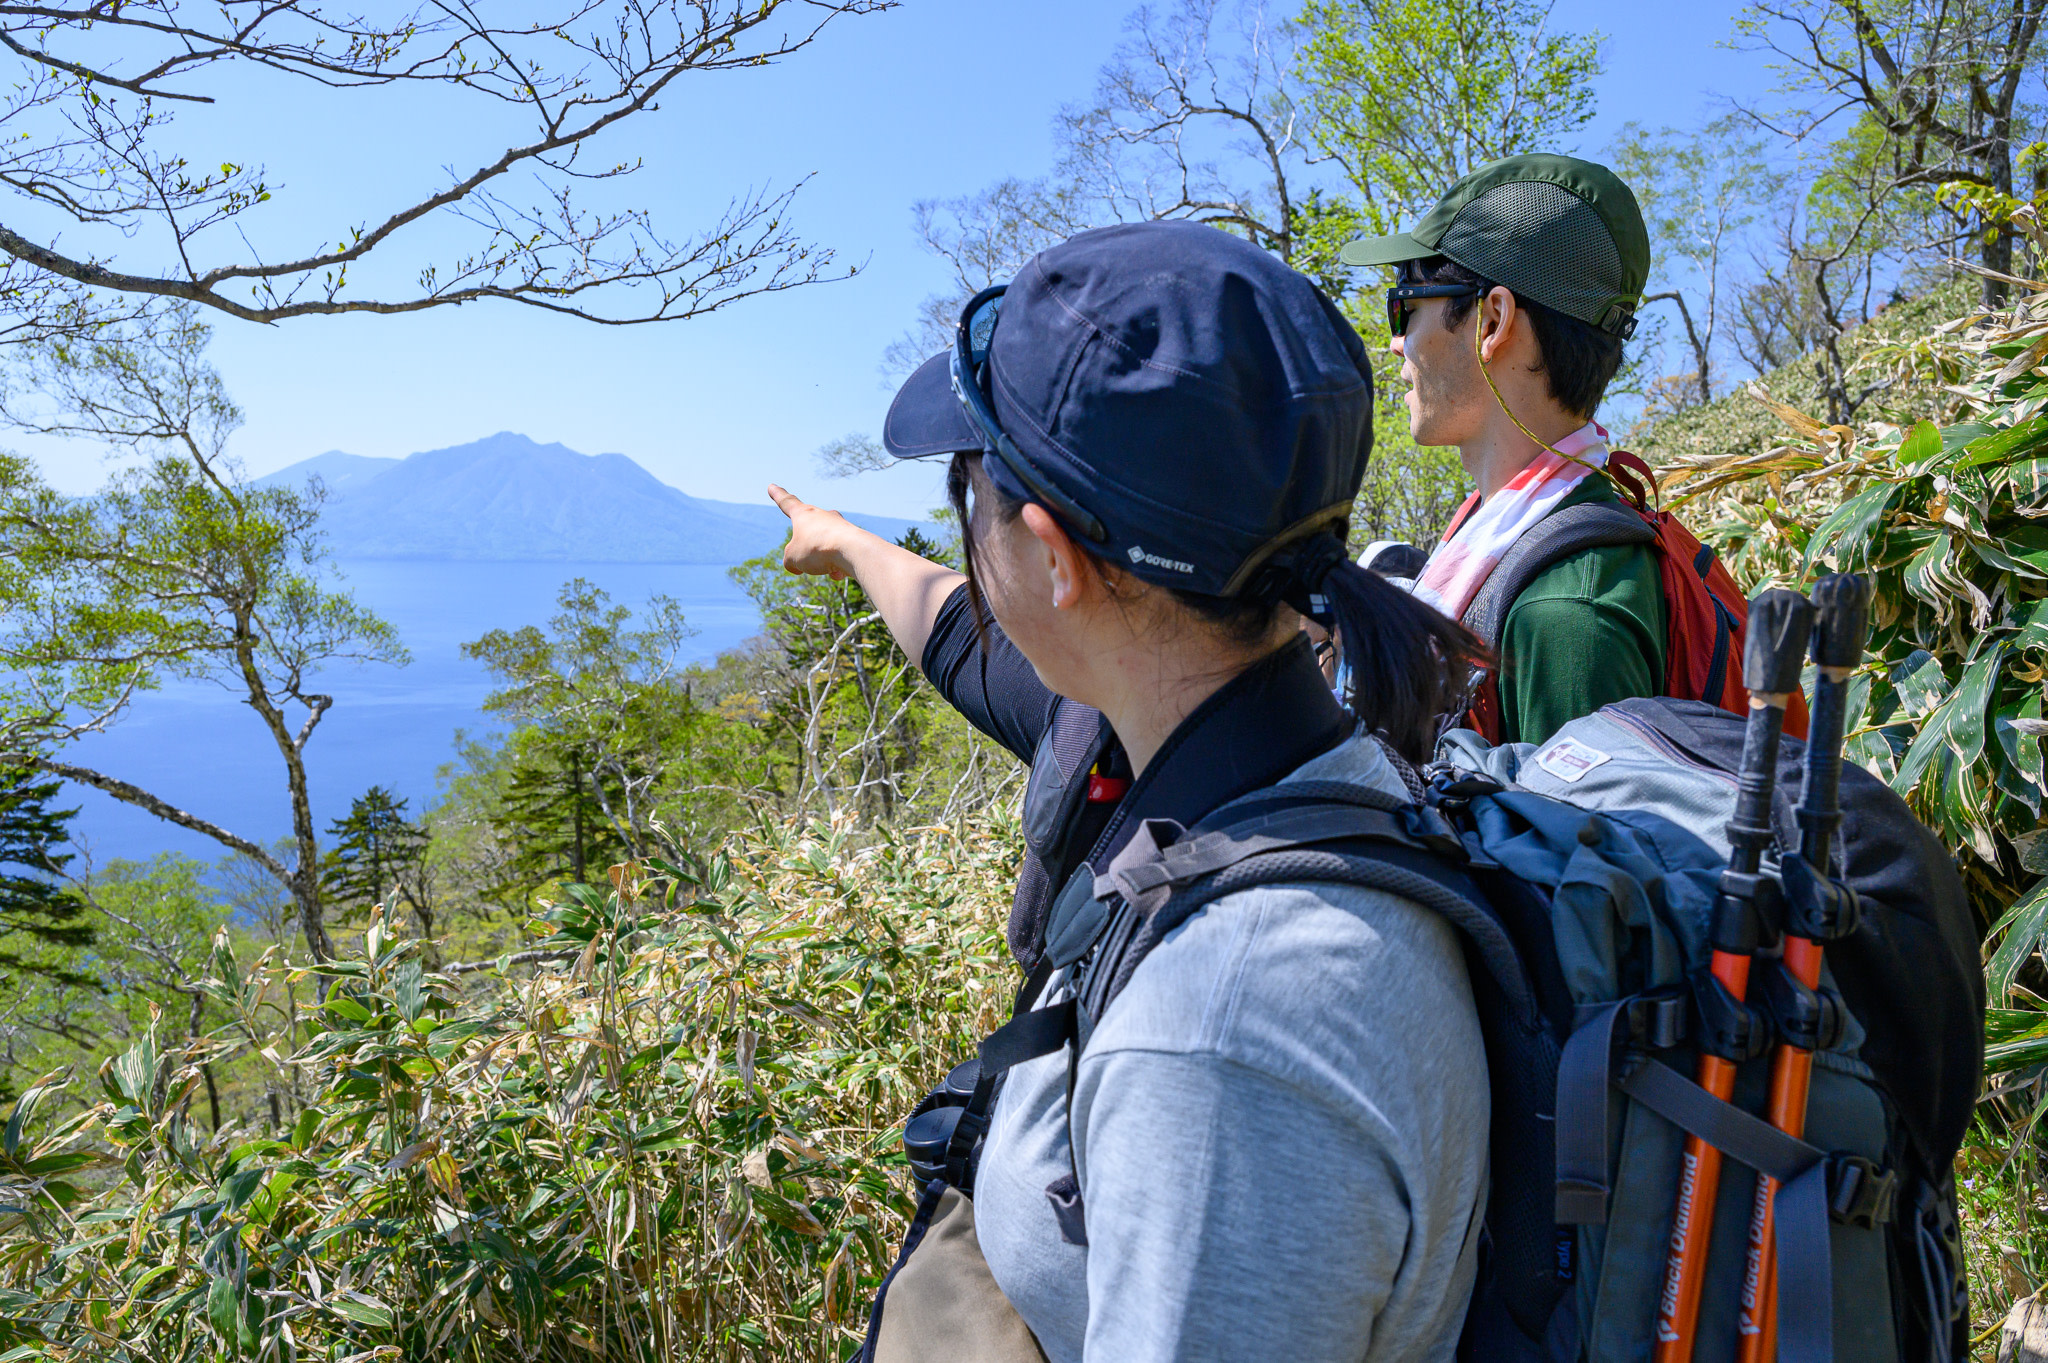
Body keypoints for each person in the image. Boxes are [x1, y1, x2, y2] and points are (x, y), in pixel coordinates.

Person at [770, 220, 1490, 1361]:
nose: (959, 533)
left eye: (968, 488)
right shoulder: (1291, 759)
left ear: (1053, 559)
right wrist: (849, 547)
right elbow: (961, 636)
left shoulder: (1221, 1041)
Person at [1340, 153, 1661, 746]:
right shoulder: (1508, 536)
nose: (1393, 344)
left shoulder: (1565, 613)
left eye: (1405, 307)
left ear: (1492, 321)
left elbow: (1577, 837)